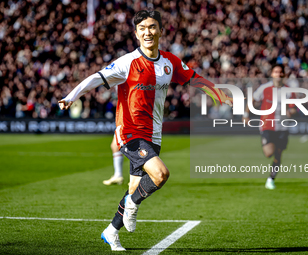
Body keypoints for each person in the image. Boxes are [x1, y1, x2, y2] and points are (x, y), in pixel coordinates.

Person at [58, 9, 232, 251]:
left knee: (134, 189)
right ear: (136, 33)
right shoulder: (127, 62)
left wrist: (219, 93)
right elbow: (95, 78)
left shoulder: (170, 62)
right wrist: (71, 96)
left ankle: (111, 231)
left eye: (152, 27)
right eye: (142, 28)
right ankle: (131, 206)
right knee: (160, 175)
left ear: (160, 30)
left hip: (154, 134)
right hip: (129, 132)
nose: (147, 32)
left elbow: (194, 77)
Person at [243, 64, 296, 190]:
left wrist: (290, 112)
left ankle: (271, 179)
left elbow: (294, 108)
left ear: (283, 75)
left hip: (282, 126)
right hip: (267, 124)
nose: (278, 74)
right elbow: (252, 100)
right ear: (272, 74)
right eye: (275, 72)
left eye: (280, 72)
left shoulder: (289, 91)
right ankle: (271, 175)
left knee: (278, 154)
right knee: (269, 153)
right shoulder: (264, 88)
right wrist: (246, 114)